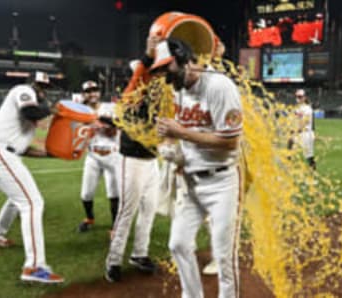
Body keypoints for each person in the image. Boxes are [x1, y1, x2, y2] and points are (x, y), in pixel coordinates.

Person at [154, 39, 243, 298]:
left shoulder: (219, 86)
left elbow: (230, 141)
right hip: (190, 180)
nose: (165, 77)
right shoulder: (178, 88)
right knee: (178, 244)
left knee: (224, 257)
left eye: (166, 68)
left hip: (221, 180)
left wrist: (180, 132)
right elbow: (181, 129)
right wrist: (171, 144)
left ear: (183, 58)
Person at [0, 71, 64, 284]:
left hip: (2, 153)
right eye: (39, 86)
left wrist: (50, 154)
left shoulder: (32, 106)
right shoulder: (23, 91)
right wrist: (52, 109)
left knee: (17, 200)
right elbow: (31, 111)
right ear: (31, 84)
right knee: (33, 203)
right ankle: (34, 266)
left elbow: (22, 149)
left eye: (45, 88)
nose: (42, 91)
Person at [104, 36, 162, 283]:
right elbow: (139, 77)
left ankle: (139, 254)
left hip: (152, 160)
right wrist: (148, 56)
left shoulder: (158, 94)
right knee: (127, 212)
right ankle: (113, 260)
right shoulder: (130, 96)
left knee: (149, 209)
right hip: (133, 160)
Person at [76, 80, 120, 232]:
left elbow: (119, 126)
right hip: (93, 155)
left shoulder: (110, 107)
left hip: (113, 155)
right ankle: (89, 218)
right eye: (88, 91)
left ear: (99, 92)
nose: (92, 93)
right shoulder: (81, 112)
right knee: (86, 193)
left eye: (95, 90)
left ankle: (115, 226)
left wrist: (105, 124)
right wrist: (86, 126)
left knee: (114, 193)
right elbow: (76, 134)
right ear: (84, 94)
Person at [294, 89, 316, 169]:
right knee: (289, 150)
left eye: (300, 97)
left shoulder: (308, 109)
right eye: (296, 96)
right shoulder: (297, 108)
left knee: (309, 156)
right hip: (299, 133)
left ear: (304, 97)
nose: (298, 98)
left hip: (306, 134)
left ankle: (313, 176)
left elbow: (305, 122)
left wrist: (296, 130)